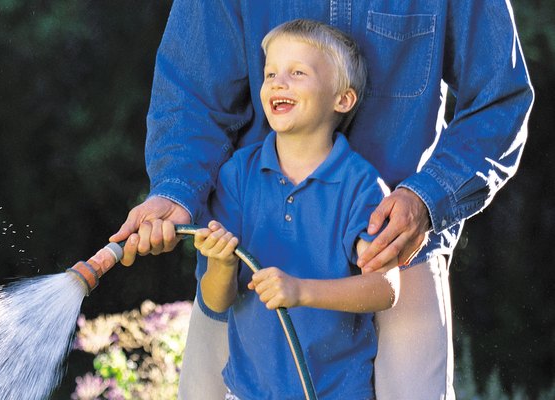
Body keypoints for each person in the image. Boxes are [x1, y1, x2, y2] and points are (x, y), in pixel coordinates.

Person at [110, 1, 534, 399]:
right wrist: (176, 189)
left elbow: (500, 99)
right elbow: (189, 96)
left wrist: (428, 198)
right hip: (248, 255)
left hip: (399, 251)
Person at [193, 19, 399, 399]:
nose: (277, 82)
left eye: (297, 72)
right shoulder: (239, 175)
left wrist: (301, 291)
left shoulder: (360, 185)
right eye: (270, 72)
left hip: (337, 393)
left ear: (342, 99)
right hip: (249, 392)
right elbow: (215, 300)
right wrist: (221, 264)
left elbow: (385, 289)